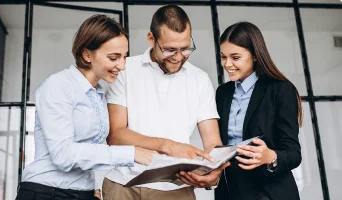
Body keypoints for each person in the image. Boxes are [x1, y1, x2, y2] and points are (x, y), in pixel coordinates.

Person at [15, 15, 156, 200]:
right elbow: (64, 154)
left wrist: (91, 186)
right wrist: (132, 153)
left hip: (83, 194)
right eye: (113, 58)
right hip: (45, 192)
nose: (122, 66)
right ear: (87, 54)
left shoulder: (97, 94)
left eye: (124, 57)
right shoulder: (58, 85)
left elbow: (89, 150)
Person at [102, 5, 229, 200]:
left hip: (176, 190)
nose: (178, 57)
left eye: (185, 49)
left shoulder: (200, 79)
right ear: (151, 39)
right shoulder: (125, 70)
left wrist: (215, 170)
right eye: (170, 49)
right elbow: (115, 135)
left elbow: (212, 141)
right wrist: (168, 146)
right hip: (123, 185)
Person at [214, 21, 302, 200]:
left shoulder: (280, 89)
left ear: (255, 55)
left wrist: (270, 156)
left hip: (270, 192)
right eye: (223, 57)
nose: (227, 64)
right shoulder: (222, 93)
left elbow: (293, 153)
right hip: (231, 191)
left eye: (235, 57)